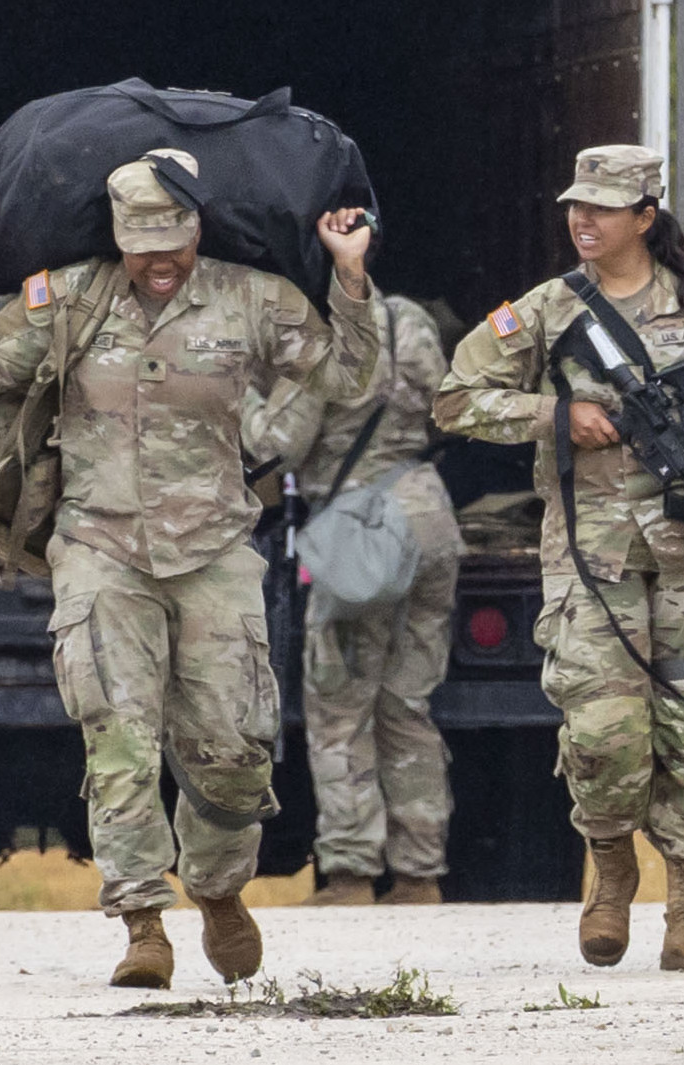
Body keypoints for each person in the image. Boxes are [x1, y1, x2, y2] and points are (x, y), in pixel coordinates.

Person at [0, 149, 378, 988]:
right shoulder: (67, 295)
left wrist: (349, 277)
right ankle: (141, 918)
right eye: (139, 242)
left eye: (171, 238)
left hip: (211, 548)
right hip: (100, 547)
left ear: (197, 227)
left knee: (234, 741)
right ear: (114, 237)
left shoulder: (249, 296)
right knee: (117, 735)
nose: (157, 259)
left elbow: (349, 376)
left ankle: (216, 889)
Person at [434, 146, 684, 970]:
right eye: (576, 204)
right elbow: (456, 397)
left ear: (645, 216)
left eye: (602, 207)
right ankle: (608, 874)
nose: (583, 220)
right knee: (602, 731)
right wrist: (552, 414)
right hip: (590, 555)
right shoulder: (546, 310)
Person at [243, 291, 462, 906]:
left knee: (340, 706)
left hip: (360, 526)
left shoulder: (321, 342)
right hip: (428, 513)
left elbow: (276, 446)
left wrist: (245, 392)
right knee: (408, 704)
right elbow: (446, 405)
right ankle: (420, 873)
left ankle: (351, 872)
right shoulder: (409, 317)